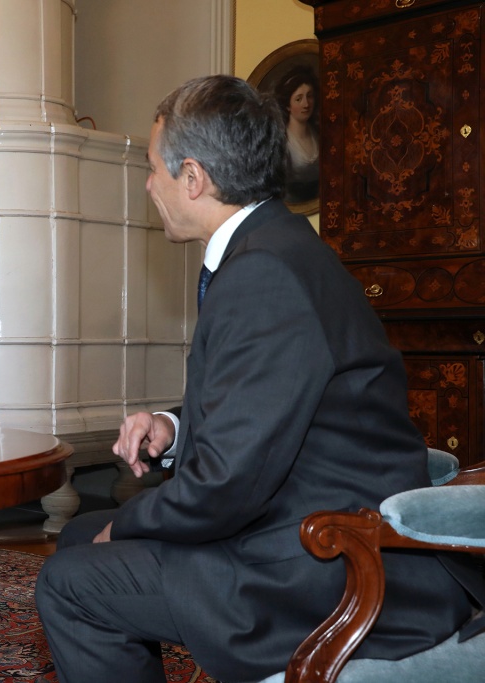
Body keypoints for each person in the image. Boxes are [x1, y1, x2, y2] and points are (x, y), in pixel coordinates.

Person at [34, 75, 484, 683]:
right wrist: (174, 425)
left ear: (192, 178)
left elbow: (228, 485)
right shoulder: (276, 245)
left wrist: (129, 522)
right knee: (80, 540)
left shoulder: (263, 272)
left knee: (68, 581)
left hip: (327, 557)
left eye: (152, 168)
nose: (148, 185)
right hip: (298, 512)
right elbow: (270, 406)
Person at [275, 64, 319, 204]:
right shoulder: (282, 141)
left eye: (309, 96)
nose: (306, 104)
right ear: (288, 105)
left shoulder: (319, 135)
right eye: (299, 99)